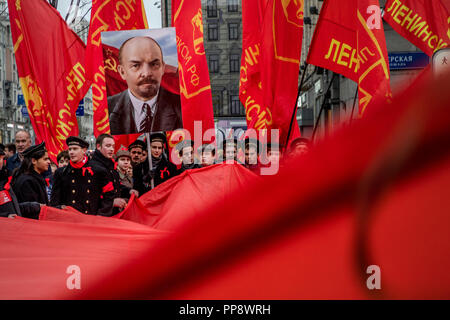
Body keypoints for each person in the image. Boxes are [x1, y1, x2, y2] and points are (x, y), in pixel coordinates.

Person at [107, 36, 182, 135]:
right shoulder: (107, 109)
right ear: (122, 72)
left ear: (163, 68)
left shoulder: (182, 107)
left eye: (154, 64)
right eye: (136, 65)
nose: (146, 73)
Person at [50, 136, 115, 216]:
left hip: (91, 219)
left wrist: (101, 214)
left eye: (75, 149)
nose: (71, 152)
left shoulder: (98, 170)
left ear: (84, 150)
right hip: (69, 219)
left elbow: (109, 195)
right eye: (70, 149)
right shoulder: (61, 173)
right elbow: (54, 200)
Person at [90, 134, 134, 213]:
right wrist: (111, 203)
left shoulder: (109, 165)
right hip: (100, 216)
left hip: (112, 213)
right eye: (108, 146)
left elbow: (115, 185)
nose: (111, 149)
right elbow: (91, 196)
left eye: (113, 146)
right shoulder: (93, 168)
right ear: (98, 146)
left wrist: (129, 191)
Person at [10, 142, 50, 215]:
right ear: (34, 161)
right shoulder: (27, 181)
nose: (49, 162)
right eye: (45, 159)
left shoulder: (33, 177)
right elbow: (31, 213)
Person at [0, 149, 41, 219]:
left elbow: (14, 207)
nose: (1, 162)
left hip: (15, 225)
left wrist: (34, 206)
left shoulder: (3, 180)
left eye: (2, 158)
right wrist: (6, 216)